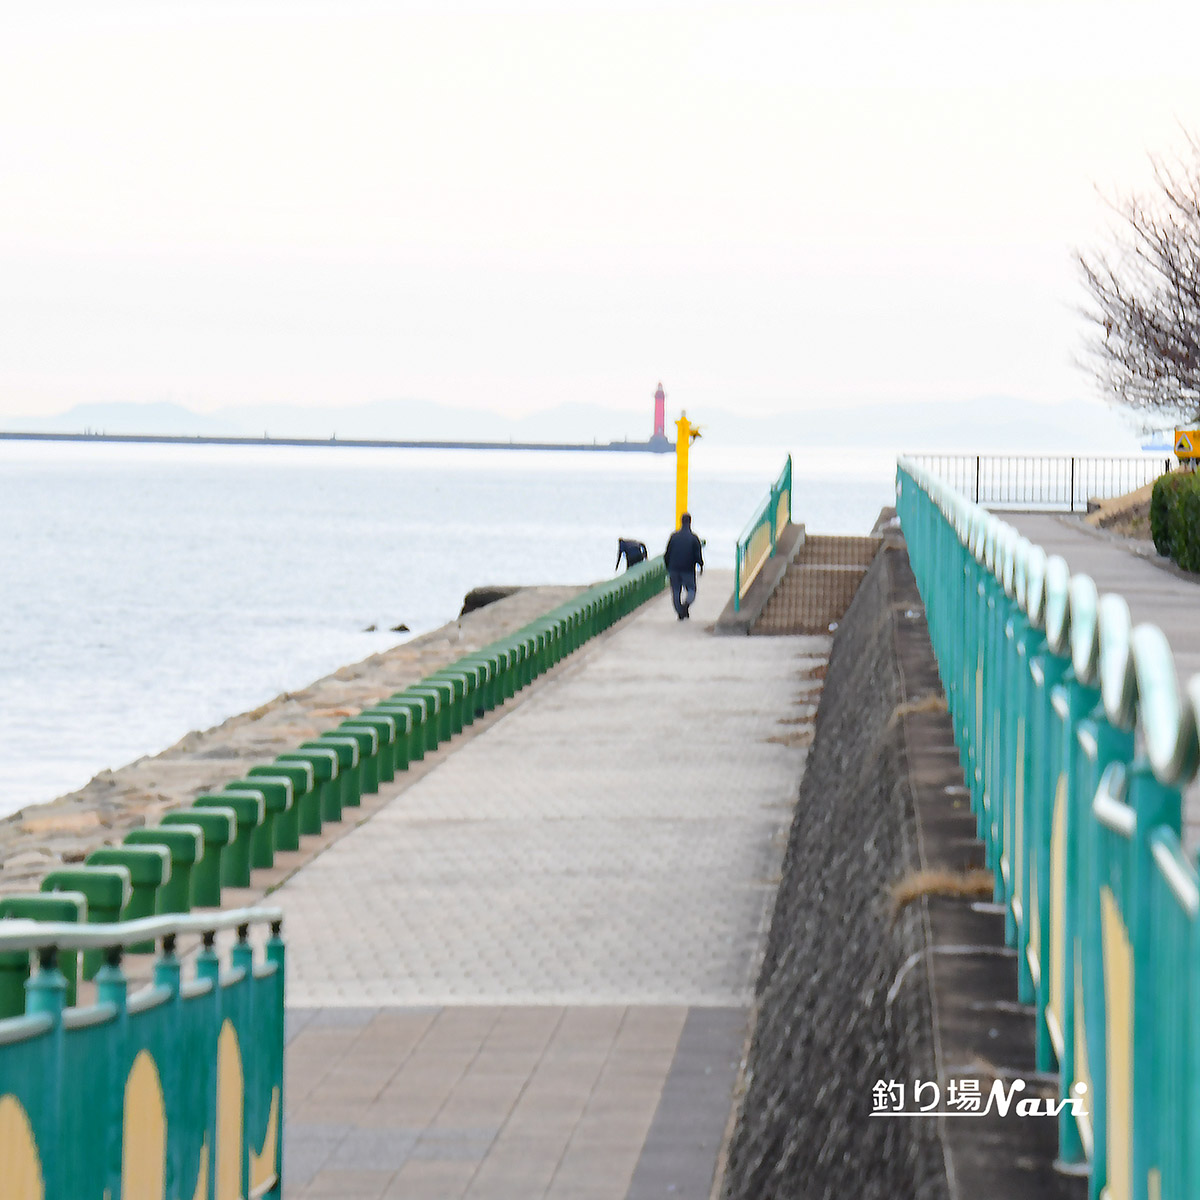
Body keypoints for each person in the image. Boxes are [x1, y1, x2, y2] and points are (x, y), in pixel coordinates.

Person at [663, 513, 704, 620]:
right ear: (690, 522)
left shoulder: (674, 537)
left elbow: (667, 553)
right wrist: (701, 565)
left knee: (676, 591)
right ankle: (686, 605)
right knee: (691, 590)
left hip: (674, 569)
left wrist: (668, 566)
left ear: (681, 522)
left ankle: (680, 612)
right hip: (688, 569)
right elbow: (698, 555)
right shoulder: (694, 538)